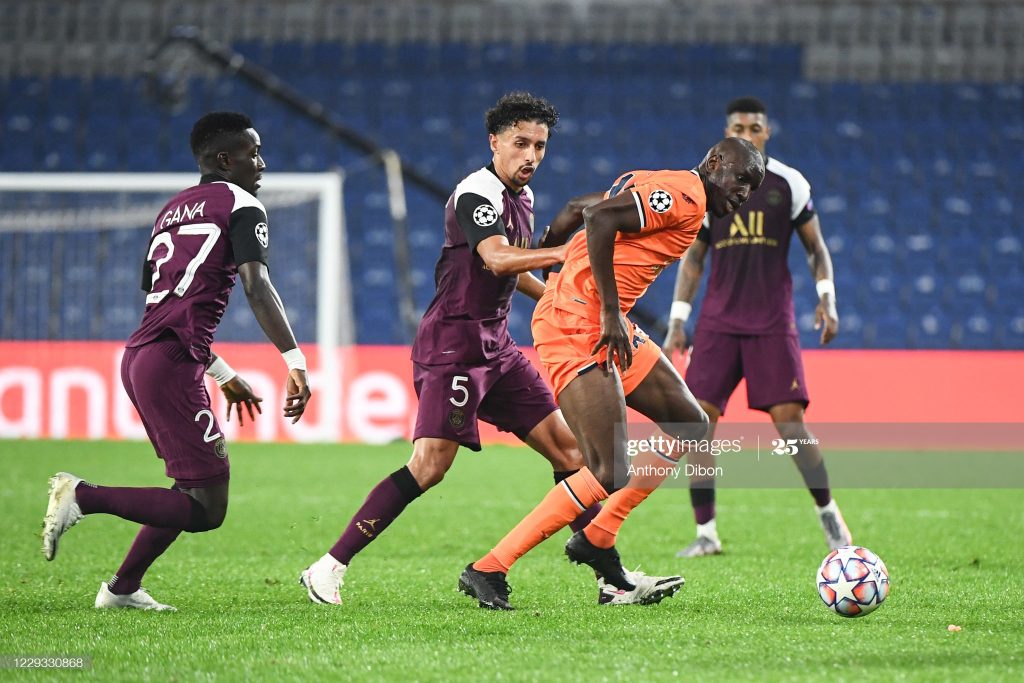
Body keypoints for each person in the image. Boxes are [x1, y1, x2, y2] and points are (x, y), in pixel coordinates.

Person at [299, 92, 681, 609]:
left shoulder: (519, 197)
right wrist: (571, 254)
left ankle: (611, 580)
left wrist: (559, 297)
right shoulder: (476, 194)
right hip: (453, 347)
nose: (531, 156)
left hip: (495, 347)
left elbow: (518, 270)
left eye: (540, 146)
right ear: (494, 142)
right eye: (521, 143)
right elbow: (499, 259)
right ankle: (329, 566)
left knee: (571, 452)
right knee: (430, 466)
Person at [459, 138, 765, 609]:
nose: (745, 193)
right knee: (608, 468)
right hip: (581, 322)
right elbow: (598, 219)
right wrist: (601, 309)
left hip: (602, 317)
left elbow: (579, 206)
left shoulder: (668, 186)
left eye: (754, 187)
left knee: (690, 422)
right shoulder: (685, 195)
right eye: (742, 179)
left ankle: (599, 535)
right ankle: (489, 568)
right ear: (715, 162)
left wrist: (554, 251)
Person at [41, 112, 312, 610]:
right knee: (206, 506)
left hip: (146, 355)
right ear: (225, 160)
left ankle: (121, 589)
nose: (263, 165)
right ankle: (83, 496)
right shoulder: (242, 203)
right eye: (254, 155)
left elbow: (164, 302)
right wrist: (294, 359)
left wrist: (224, 375)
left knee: (187, 486)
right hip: (167, 363)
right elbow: (256, 284)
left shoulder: (171, 211)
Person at [663, 97, 851, 557]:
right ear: (726, 135)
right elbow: (694, 260)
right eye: (738, 127)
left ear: (767, 132)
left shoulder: (789, 184)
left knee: (791, 426)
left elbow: (816, 248)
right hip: (719, 323)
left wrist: (827, 297)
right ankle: (706, 533)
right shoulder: (707, 187)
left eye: (755, 127)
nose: (747, 134)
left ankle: (831, 518)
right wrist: (678, 322)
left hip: (771, 321)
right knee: (698, 424)